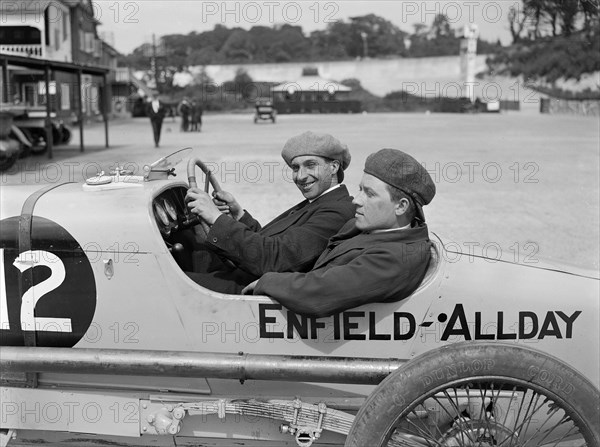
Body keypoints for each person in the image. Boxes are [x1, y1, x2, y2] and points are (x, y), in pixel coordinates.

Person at [242, 148, 436, 318]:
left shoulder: (397, 258)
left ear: (401, 207)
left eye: (370, 194)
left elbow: (322, 292)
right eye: (360, 189)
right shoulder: (366, 227)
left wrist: (266, 281)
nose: (356, 200)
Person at [185, 131, 356, 294]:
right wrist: (239, 215)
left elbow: (276, 258)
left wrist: (216, 217)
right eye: (296, 168)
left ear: (334, 167)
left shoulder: (338, 211)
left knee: (162, 284)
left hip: (250, 290)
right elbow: (274, 242)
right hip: (247, 276)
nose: (301, 176)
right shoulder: (320, 202)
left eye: (310, 165)